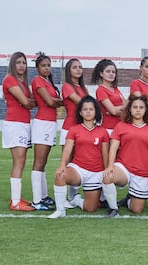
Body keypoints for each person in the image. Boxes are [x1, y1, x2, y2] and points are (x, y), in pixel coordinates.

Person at [48, 95, 110, 219]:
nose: (88, 112)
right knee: (61, 175)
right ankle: (60, 210)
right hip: (78, 169)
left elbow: (105, 154)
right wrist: (62, 166)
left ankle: (76, 200)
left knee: (90, 208)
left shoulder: (102, 131)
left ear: (96, 112)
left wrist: (107, 170)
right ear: (80, 112)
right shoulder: (74, 130)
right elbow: (67, 149)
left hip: (96, 172)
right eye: (85, 109)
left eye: (91, 109)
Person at [103, 94, 148, 215]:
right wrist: (109, 166)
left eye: (141, 107)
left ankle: (129, 199)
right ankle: (113, 209)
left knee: (136, 210)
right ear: (129, 109)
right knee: (108, 176)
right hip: (124, 167)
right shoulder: (121, 126)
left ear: (146, 110)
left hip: (143, 172)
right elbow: (113, 148)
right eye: (135, 107)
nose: (138, 110)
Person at [2, 51, 36, 211]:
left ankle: (17, 198)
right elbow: (25, 101)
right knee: (19, 161)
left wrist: (29, 103)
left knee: (21, 162)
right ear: (12, 64)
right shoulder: (9, 79)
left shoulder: (22, 82)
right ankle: (15, 203)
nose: (22, 65)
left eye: (24, 63)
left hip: (23, 124)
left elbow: (28, 103)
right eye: (19, 62)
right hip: (15, 124)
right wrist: (29, 102)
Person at [30, 54, 63, 211]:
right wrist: (65, 100)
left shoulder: (48, 82)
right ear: (37, 67)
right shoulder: (37, 81)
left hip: (50, 123)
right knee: (39, 162)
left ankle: (43, 196)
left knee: (43, 162)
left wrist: (58, 101)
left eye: (49, 65)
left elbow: (53, 101)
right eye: (43, 65)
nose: (47, 68)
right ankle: (37, 201)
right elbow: (50, 102)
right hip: (42, 123)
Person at [59, 58, 88, 204]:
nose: (78, 69)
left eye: (80, 67)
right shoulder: (67, 86)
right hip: (69, 127)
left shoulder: (83, 88)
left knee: (77, 163)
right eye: (75, 67)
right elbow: (82, 103)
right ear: (69, 70)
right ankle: (63, 197)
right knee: (67, 161)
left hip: (82, 130)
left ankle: (73, 195)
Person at [92, 59, 126, 136]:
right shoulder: (100, 90)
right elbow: (113, 111)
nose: (111, 74)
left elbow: (128, 106)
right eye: (108, 71)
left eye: (113, 72)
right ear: (101, 74)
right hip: (108, 129)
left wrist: (117, 109)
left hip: (120, 127)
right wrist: (122, 109)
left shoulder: (116, 89)